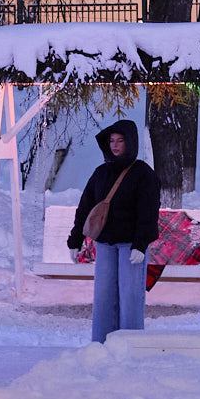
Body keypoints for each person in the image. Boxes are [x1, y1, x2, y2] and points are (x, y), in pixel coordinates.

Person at [67, 119, 160, 343]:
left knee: (130, 298)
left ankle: (130, 344)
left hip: (130, 246)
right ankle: (101, 344)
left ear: (131, 143)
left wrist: (140, 243)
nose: (115, 145)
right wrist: (75, 239)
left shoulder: (143, 174)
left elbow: (148, 211)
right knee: (103, 298)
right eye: (111, 141)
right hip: (106, 244)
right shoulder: (101, 173)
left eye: (120, 141)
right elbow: (86, 206)